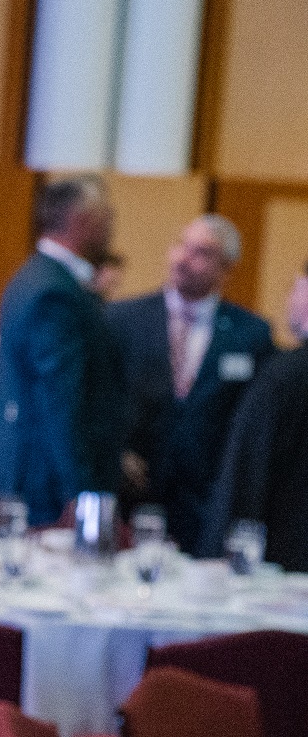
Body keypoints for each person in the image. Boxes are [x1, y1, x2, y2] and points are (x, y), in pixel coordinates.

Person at [109, 214, 275, 549]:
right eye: (181, 246)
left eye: (201, 252)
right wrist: (116, 449)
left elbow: (253, 419)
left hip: (206, 501)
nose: (184, 258)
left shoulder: (250, 334)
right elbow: (97, 398)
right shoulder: (123, 320)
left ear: (226, 268)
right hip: (131, 492)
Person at [0, 173, 125, 524]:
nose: (112, 229)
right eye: (108, 219)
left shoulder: (34, 276)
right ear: (83, 220)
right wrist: (78, 491)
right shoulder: (55, 292)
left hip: (33, 474)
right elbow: (59, 398)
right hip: (48, 485)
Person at [203, 261, 308, 572]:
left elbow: (246, 472)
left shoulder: (284, 378)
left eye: (296, 288)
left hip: (281, 565)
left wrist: (216, 554)